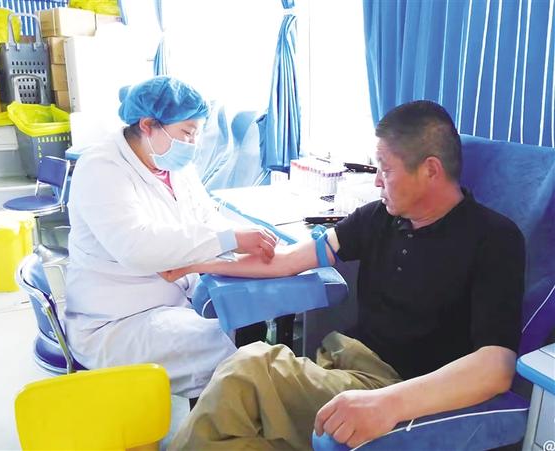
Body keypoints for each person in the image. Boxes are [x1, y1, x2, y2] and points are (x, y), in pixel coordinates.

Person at [164, 100, 525, 449]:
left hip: (397, 386)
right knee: (240, 435)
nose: (377, 182)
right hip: (340, 363)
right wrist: (199, 263)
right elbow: (287, 260)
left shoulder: (493, 239)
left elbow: (495, 367)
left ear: (430, 170)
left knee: (249, 371)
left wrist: (388, 404)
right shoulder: (379, 218)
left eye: (385, 169)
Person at [63, 76, 278, 399]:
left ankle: (230, 412)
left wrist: (238, 241)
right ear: (148, 125)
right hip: (117, 321)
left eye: (197, 133)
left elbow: (204, 217)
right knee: (235, 352)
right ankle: (223, 423)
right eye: (187, 132)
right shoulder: (101, 168)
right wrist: (229, 239)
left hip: (168, 302)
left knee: (245, 334)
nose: (192, 143)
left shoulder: (173, 165)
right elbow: (137, 247)